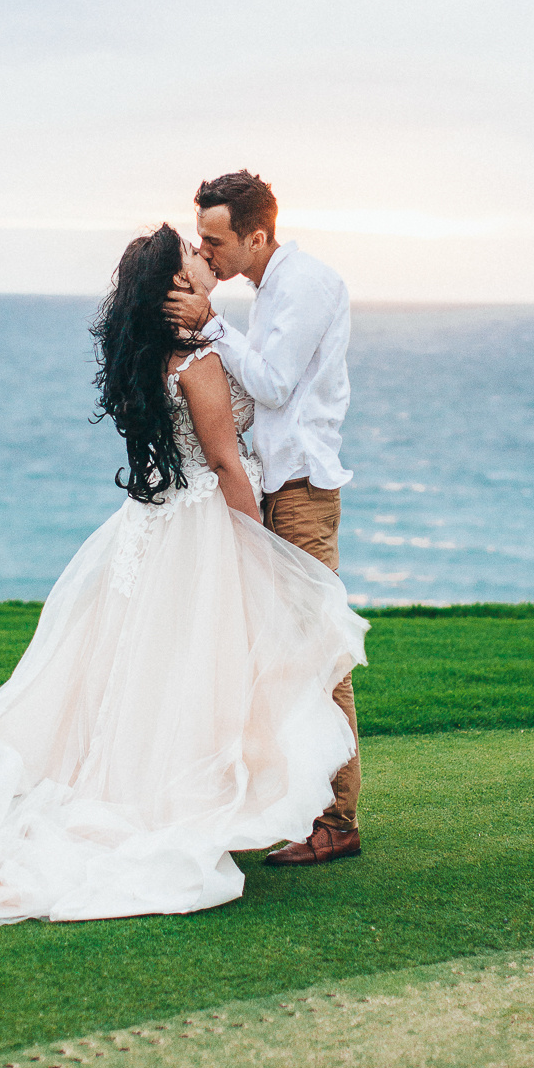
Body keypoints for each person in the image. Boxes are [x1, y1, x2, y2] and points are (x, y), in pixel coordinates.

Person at [0, 222, 365, 925]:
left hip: (159, 522)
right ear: (174, 286)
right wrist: (256, 549)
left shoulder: (150, 359)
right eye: (194, 254)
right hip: (206, 524)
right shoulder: (196, 363)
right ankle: (241, 807)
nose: (204, 258)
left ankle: (200, 794)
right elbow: (227, 462)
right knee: (206, 669)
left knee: (162, 674)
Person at [163, 170, 362, 867]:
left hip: (302, 491)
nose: (206, 252)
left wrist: (211, 326)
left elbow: (273, 383)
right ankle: (295, 803)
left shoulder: (304, 285)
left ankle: (336, 819)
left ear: (257, 235)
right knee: (280, 651)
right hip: (277, 486)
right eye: (200, 239)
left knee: (318, 647)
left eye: (215, 241)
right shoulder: (271, 288)